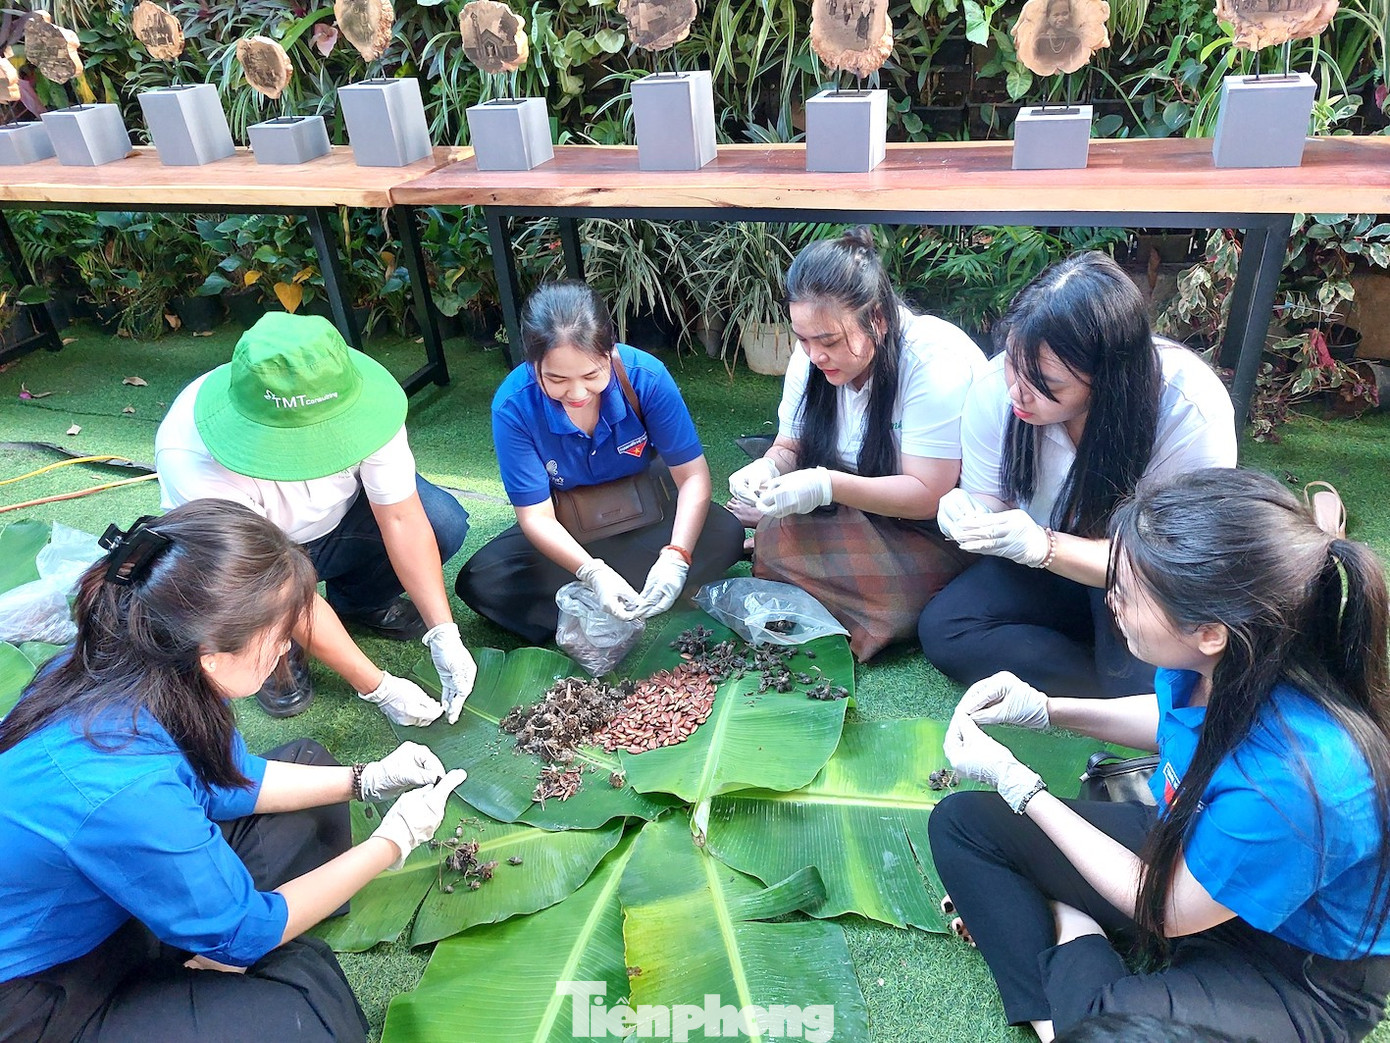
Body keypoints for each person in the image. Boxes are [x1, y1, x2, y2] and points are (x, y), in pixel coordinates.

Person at [927, 468, 1390, 1042]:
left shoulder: (1292, 783)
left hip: (1291, 964)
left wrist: (1022, 787)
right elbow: (1171, 719)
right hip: (1189, 847)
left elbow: (1166, 909)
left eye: (1129, 589)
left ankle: (1071, 946)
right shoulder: (1215, 662)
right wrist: (1045, 709)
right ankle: (1059, 1013)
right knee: (965, 823)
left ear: (1209, 630)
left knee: (1105, 1025)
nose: (1111, 600)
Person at [0, 501, 467, 1043]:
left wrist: (367, 778)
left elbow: (226, 778)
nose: (287, 648)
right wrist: (393, 841)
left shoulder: (139, 666)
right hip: (40, 985)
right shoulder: (122, 785)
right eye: (277, 635)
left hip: (109, 889)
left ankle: (190, 949)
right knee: (307, 1009)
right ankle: (179, 966)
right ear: (212, 655)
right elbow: (246, 932)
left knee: (310, 768)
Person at [919, 251, 1236, 697]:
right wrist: (968, 511)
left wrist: (1044, 546)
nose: (1017, 391)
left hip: (1142, 576)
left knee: (1149, 676)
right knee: (946, 629)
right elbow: (990, 498)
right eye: (1013, 362)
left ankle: (1122, 679)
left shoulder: (1188, 407)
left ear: (1110, 377)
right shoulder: (997, 390)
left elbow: (1173, 560)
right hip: (1044, 567)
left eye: (1047, 384)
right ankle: (1108, 677)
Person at [156, 312, 477, 723]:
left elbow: (401, 518)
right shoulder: (192, 455)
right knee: (242, 601)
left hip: (336, 528)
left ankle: (360, 601)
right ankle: (273, 647)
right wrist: (378, 687)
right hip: (254, 563)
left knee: (440, 521)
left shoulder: (366, 403)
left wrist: (443, 632)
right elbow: (271, 582)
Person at [727, 227, 986, 660]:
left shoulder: (933, 363)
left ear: (878, 320)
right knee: (777, 540)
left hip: (930, 528)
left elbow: (928, 496)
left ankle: (812, 572)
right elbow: (791, 444)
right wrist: (768, 468)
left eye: (828, 341)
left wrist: (826, 486)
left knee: (894, 602)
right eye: (803, 339)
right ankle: (792, 553)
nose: (814, 355)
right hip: (855, 510)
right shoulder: (810, 355)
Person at [455, 281, 744, 643]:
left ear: (609, 351)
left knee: (726, 533)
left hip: (647, 509)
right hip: (570, 526)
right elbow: (536, 517)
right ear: (533, 363)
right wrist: (591, 571)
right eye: (557, 379)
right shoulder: (514, 406)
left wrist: (677, 555)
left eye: (592, 375)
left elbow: (693, 478)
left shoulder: (646, 377)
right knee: (482, 580)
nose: (576, 394)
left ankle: (623, 589)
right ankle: (618, 589)